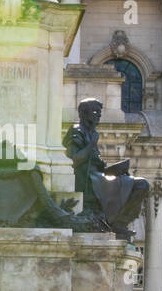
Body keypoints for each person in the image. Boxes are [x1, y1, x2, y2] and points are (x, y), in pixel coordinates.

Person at [63, 98, 149, 234]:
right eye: (95, 111)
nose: (99, 115)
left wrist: (116, 169)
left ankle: (120, 222)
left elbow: (96, 162)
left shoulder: (92, 133)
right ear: (84, 113)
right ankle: (117, 223)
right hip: (87, 179)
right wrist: (92, 144)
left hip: (98, 176)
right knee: (139, 184)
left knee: (142, 184)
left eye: (100, 112)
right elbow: (74, 159)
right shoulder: (76, 131)